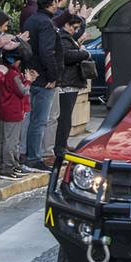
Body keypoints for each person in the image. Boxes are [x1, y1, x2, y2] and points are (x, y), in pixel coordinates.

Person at [21, 0, 62, 171]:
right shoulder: (46, 23)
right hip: (43, 78)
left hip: (31, 74)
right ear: (52, 3)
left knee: (32, 118)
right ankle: (34, 157)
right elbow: (47, 52)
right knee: (40, 120)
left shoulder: (32, 20)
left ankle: (28, 154)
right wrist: (53, 76)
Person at [0, 49, 34, 179]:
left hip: (2, 109)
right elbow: (22, 92)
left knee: (0, 140)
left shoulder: (2, 72)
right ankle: (8, 167)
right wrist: (28, 81)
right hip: (14, 111)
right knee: (11, 142)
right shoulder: (13, 75)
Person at [51, 12, 95, 156]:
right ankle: (59, 146)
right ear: (66, 24)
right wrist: (85, 54)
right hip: (67, 83)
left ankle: (62, 144)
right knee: (64, 118)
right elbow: (67, 56)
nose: (75, 31)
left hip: (69, 82)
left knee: (66, 117)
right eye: (74, 27)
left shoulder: (66, 37)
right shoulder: (63, 38)